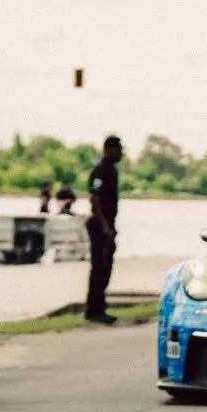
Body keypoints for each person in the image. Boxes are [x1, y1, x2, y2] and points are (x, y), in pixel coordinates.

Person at [85, 135, 123, 324]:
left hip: (108, 225)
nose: (121, 153)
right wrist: (105, 226)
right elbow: (94, 199)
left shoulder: (111, 171)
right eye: (118, 149)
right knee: (99, 267)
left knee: (105, 267)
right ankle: (94, 309)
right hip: (100, 226)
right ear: (109, 149)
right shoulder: (100, 171)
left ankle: (99, 306)